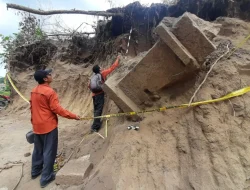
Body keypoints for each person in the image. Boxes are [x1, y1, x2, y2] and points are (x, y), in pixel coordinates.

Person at [30, 69, 80, 188]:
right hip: (48, 126)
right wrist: (73, 116)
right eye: (49, 74)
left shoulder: (33, 91)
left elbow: (32, 108)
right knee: (49, 151)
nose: (51, 75)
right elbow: (57, 109)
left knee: (38, 150)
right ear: (45, 79)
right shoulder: (49, 92)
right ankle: (46, 177)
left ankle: (35, 171)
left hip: (36, 125)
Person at [89, 56, 120, 132]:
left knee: (96, 110)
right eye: (100, 67)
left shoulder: (93, 77)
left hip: (94, 95)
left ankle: (95, 124)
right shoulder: (102, 74)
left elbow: (88, 86)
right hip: (99, 95)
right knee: (98, 110)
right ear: (99, 69)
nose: (101, 67)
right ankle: (95, 127)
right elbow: (112, 68)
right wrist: (118, 59)